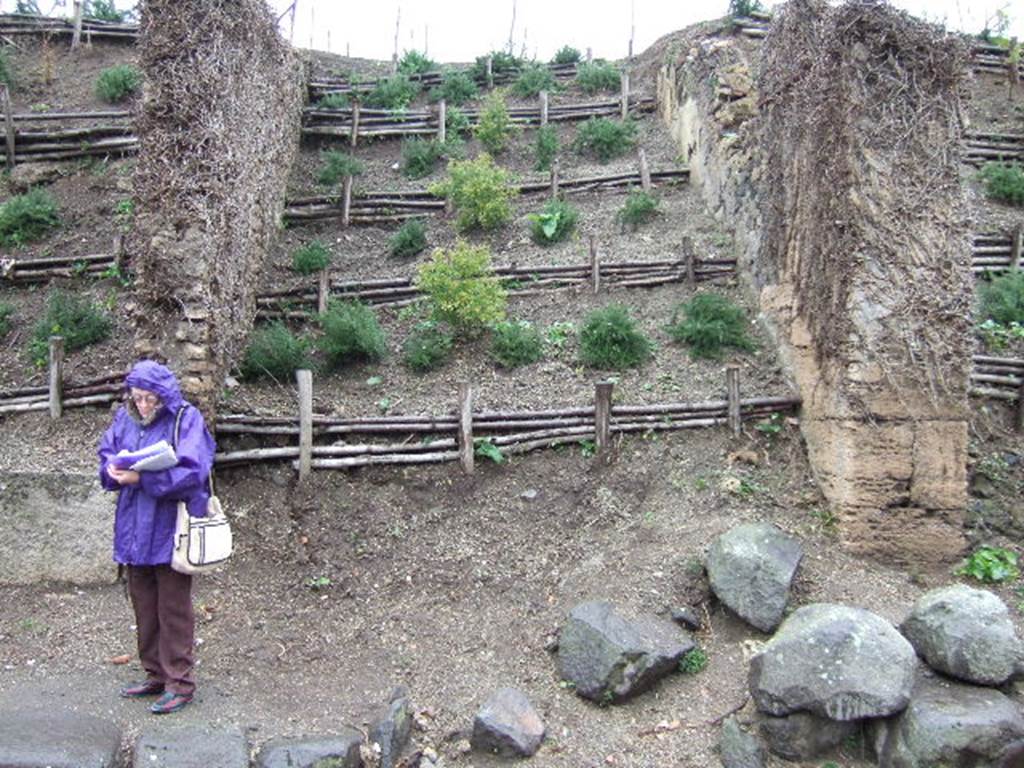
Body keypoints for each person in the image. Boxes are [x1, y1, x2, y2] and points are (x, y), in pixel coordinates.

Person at [97, 359, 215, 715]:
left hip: (170, 528)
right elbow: (107, 451)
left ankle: (180, 682)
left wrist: (143, 479)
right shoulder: (125, 417)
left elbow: (193, 471)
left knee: (173, 608)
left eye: (151, 399)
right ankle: (156, 674)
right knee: (143, 604)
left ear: (165, 397)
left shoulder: (186, 419)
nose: (144, 405)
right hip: (134, 528)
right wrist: (112, 469)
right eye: (138, 398)